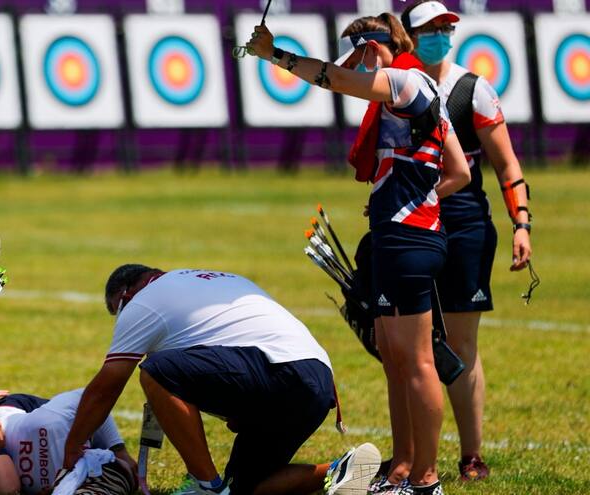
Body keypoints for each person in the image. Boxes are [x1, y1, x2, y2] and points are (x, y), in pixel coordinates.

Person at [247, 13, 471, 495]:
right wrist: (413, 192)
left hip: (409, 240)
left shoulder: (403, 80)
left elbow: (334, 78)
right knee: (395, 359)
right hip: (400, 236)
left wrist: (274, 54)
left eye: (358, 56)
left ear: (371, 50)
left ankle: (427, 480)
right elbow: (458, 172)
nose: (355, 67)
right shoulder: (424, 88)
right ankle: (403, 467)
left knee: (416, 363)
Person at [62, 265, 382, 495]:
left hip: (281, 371)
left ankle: (207, 487)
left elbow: (106, 388)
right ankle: (346, 471)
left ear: (127, 294)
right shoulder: (203, 282)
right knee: (248, 487)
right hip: (316, 379)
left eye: (117, 310)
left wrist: (73, 447)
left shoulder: (143, 301)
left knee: (156, 371)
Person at [400, 0, 533, 481]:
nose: (441, 33)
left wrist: (522, 223)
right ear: (410, 36)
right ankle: (409, 460)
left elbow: (507, 164)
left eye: (446, 27)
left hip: (463, 222)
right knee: (409, 344)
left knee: (459, 343)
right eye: (430, 28)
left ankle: (471, 455)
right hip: (408, 219)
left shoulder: (472, 89)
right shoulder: (395, 84)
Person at [0, 388, 138, 495]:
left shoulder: (59, 481)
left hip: (21, 422)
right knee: (0, 488)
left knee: (4, 488)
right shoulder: (51, 423)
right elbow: (93, 397)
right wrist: (119, 450)